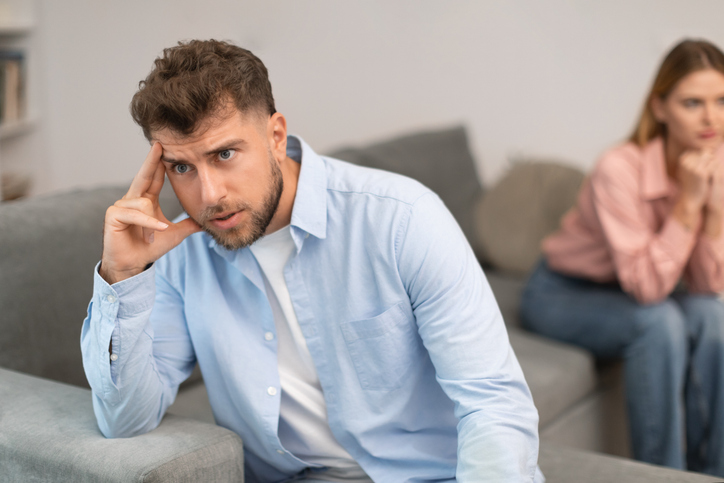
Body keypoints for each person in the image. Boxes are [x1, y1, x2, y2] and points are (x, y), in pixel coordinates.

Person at [80, 39, 542, 482]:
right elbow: (125, 420)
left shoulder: (402, 220)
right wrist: (123, 276)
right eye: (182, 167)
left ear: (275, 136)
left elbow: (492, 404)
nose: (209, 195)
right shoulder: (182, 254)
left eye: (225, 154)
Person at [520, 39, 724, 476]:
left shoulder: (716, 163)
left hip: (634, 292)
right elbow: (649, 290)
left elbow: (708, 288)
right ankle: (662, 473)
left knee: (712, 315)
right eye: (693, 103)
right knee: (660, 323)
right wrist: (689, 205)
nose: (712, 117)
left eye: (722, 100)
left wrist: (715, 213)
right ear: (661, 107)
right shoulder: (619, 167)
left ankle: (712, 472)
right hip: (562, 292)